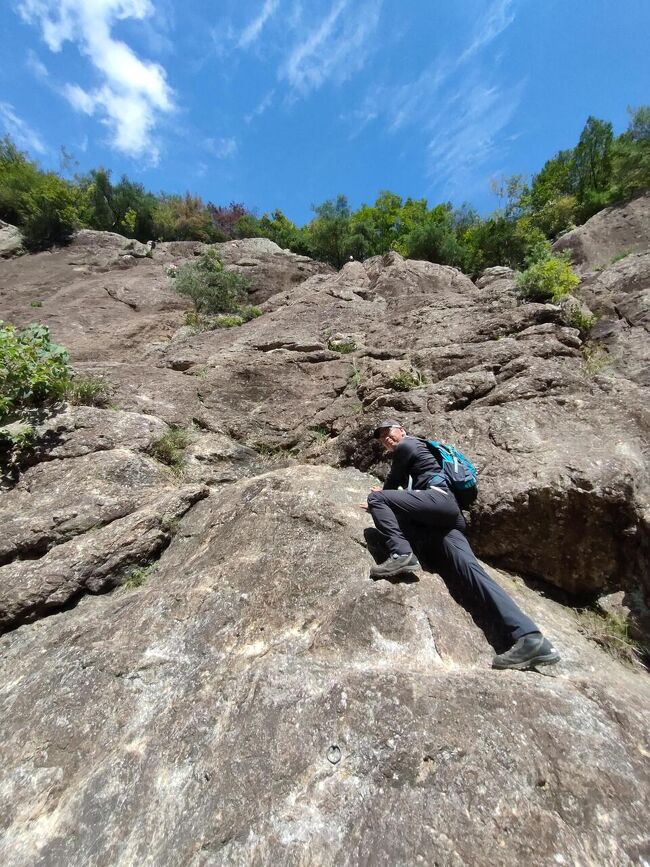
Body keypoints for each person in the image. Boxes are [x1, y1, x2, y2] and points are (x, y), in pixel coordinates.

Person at [364, 419, 561, 671]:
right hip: (447, 518)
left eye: (387, 432)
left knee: (378, 499)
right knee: (473, 572)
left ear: (401, 430)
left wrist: (377, 499)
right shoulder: (420, 454)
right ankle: (530, 638)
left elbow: (392, 483)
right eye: (381, 438)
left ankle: (401, 554)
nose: (386, 439)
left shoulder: (409, 444)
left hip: (439, 500)